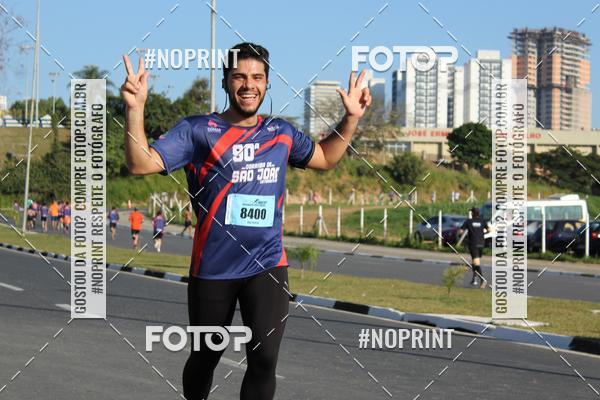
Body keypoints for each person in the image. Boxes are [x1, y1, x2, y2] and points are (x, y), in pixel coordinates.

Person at [121, 42, 371, 400]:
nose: (248, 84)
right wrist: (135, 109)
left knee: (264, 359)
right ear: (225, 81)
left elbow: (325, 158)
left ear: (267, 83)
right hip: (214, 268)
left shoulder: (280, 133)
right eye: (239, 77)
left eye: (257, 77)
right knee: (206, 357)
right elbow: (140, 163)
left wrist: (351, 118)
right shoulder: (198, 130)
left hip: (267, 265)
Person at [460, 207, 489, 288]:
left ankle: (483, 280)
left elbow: (461, 231)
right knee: (474, 262)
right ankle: (474, 278)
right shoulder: (482, 221)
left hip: (473, 244)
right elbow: (489, 229)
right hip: (481, 243)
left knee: (476, 263)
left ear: (472, 213)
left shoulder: (469, 221)